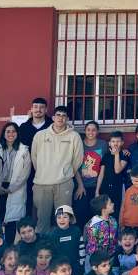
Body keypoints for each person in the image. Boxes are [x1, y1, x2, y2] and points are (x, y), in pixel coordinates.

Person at [31, 106, 84, 234]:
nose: (61, 118)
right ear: (53, 117)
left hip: (64, 183)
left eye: (64, 115)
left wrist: (65, 173)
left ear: (67, 119)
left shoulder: (74, 136)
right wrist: (44, 172)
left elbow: (77, 160)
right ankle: (43, 251)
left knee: (63, 219)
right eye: (58, 115)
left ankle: (63, 249)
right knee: (42, 220)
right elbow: (34, 157)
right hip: (42, 184)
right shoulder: (40, 135)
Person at [0, 121, 31, 245]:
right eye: (8, 131)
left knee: (11, 220)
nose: (10, 134)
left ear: (17, 133)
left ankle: (9, 248)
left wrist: (12, 188)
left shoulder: (24, 150)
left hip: (15, 188)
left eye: (13, 131)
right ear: (4, 133)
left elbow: (25, 173)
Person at [18, 98, 53, 218]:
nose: (38, 110)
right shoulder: (24, 127)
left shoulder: (52, 126)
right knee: (28, 197)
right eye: (36, 107)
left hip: (49, 168)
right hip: (28, 168)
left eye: (41, 107)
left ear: (46, 109)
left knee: (48, 199)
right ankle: (28, 227)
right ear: (31, 109)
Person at [74, 121, 106, 231]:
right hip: (81, 186)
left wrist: (97, 190)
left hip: (96, 185)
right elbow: (75, 167)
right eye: (88, 130)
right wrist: (80, 185)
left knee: (95, 215)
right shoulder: (79, 144)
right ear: (85, 131)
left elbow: (104, 166)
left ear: (97, 131)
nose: (91, 132)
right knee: (80, 212)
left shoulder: (103, 144)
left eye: (93, 130)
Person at [47, 205, 84, 275]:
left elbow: (81, 248)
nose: (62, 220)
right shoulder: (53, 234)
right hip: (59, 268)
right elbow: (51, 252)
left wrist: (81, 263)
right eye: (59, 217)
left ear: (70, 218)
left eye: (65, 217)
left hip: (75, 266)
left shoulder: (76, 231)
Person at [84, 195, 118, 271]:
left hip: (109, 257)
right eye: (110, 203)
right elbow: (95, 243)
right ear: (103, 209)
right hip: (95, 260)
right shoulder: (95, 224)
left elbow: (115, 238)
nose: (113, 204)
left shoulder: (113, 220)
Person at [102, 131, 129, 220]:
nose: (115, 144)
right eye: (113, 141)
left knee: (117, 209)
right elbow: (101, 173)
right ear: (109, 143)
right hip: (105, 186)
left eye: (118, 141)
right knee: (105, 209)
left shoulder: (124, 155)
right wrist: (97, 190)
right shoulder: (106, 155)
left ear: (122, 143)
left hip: (119, 186)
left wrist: (117, 154)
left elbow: (117, 170)